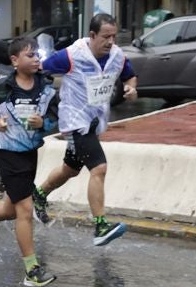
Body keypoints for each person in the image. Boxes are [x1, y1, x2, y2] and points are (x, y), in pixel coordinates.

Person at [0, 36, 60, 287]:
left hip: (30, 151)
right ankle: (31, 270)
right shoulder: (1, 86)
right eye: (30, 55)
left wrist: (44, 124)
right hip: (8, 153)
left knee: (10, 209)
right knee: (25, 211)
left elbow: (54, 116)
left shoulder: (46, 87)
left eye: (37, 54)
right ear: (15, 61)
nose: (36, 59)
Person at [34, 13, 137, 247]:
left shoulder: (117, 57)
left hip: (95, 121)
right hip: (75, 121)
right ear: (92, 35)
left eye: (114, 36)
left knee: (70, 169)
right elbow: (41, 69)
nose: (111, 41)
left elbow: (130, 76)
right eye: (105, 37)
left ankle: (39, 195)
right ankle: (100, 226)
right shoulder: (72, 55)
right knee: (99, 168)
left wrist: (132, 89)